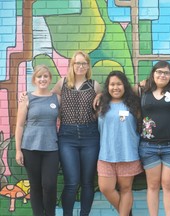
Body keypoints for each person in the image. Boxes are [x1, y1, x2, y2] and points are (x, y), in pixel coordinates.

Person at [52, 50, 101, 216]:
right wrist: (26, 96)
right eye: (77, 63)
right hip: (67, 136)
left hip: (90, 136)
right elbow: (47, 100)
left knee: (87, 182)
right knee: (71, 182)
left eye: (84, 63)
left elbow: (103, 104)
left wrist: (101, 94)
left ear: (88, 66)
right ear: (72, 65)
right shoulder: (62, 83)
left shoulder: (94, 85)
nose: (80, 66)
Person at [137, 60, 170, 216]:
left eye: (166, 73)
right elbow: (120, 90)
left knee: (168, 185)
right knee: (152, 185)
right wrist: (100, 94)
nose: (162, 75)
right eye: (159, 72)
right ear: (153, 74)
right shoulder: (142, 90)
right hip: (148, 146)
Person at [15, 65, 60, 216]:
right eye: (39, 76)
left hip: (51, 149)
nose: (43, 79)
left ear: (50, 79)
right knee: (35, 187)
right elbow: (20, 125)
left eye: (45, 76)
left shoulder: (56, 98)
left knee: (50, 185)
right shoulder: (26, 98)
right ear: (34, 79)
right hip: (30, 148)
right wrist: (18, 150)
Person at [97, 71, 143, 216]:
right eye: (112, 84)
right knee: (106, 188)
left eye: (119, 84)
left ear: (125, 86)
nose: (115, 87)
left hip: (128, 154)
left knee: (126, 189)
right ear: (107, 87)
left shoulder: (134, 104)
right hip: (106, 154)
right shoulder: (101, 103)